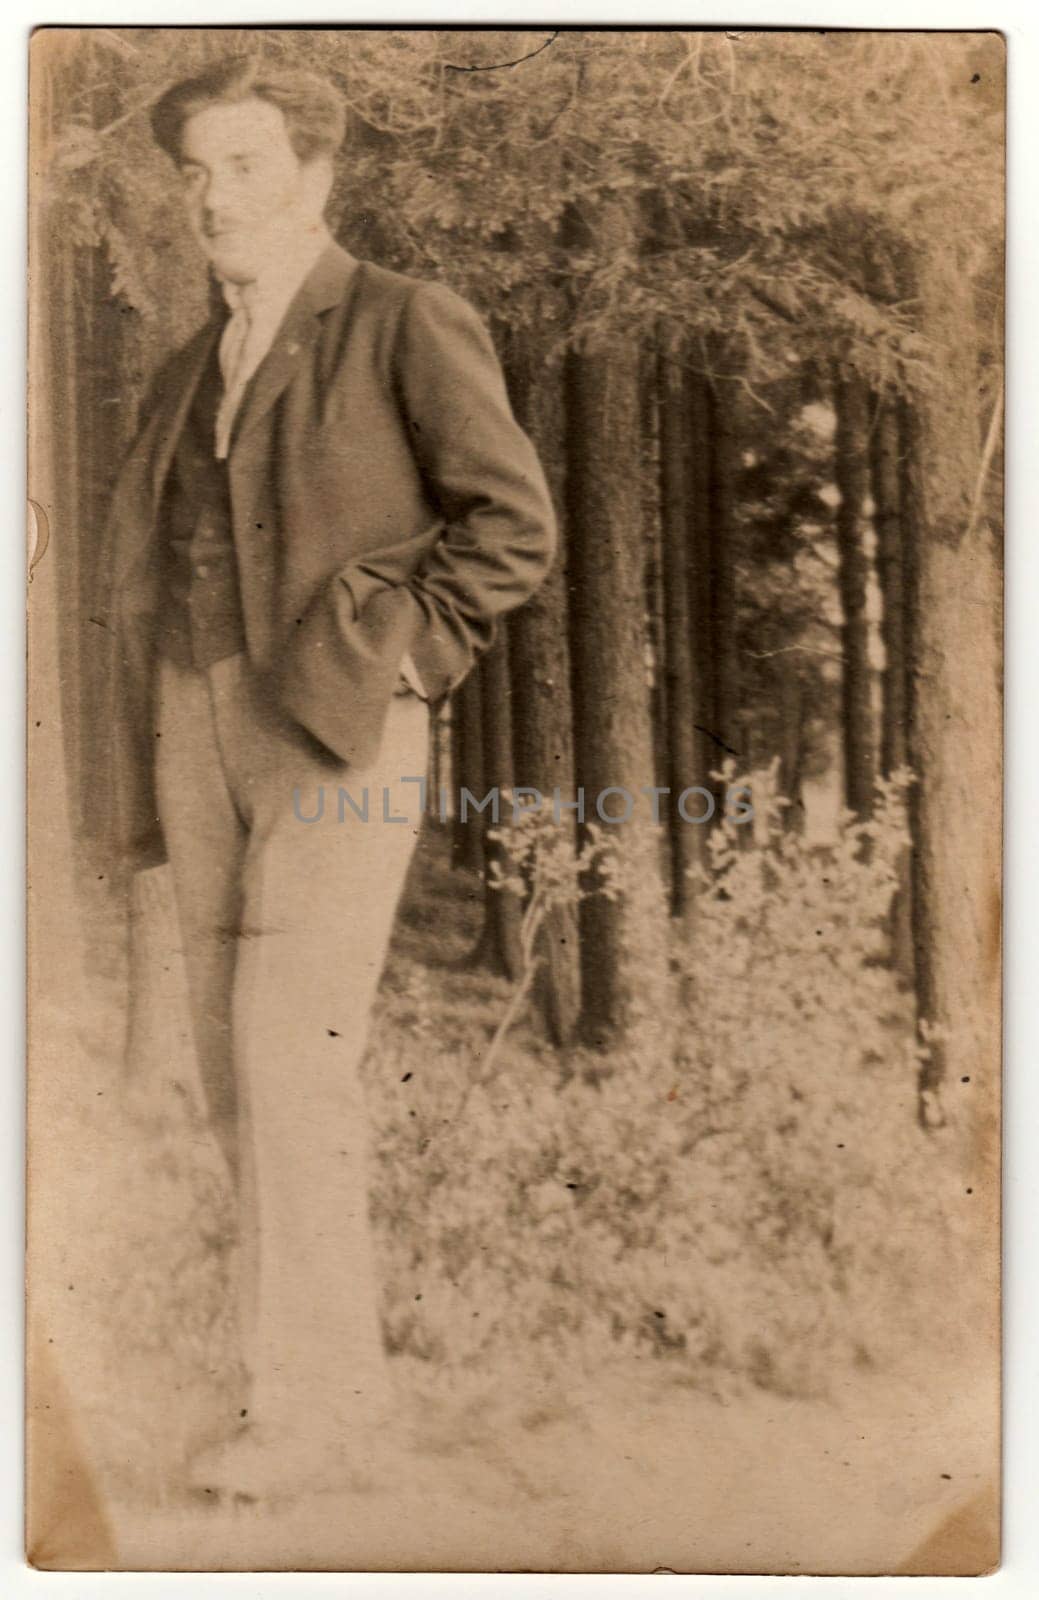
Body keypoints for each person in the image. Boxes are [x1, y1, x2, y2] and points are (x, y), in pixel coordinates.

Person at [99, 55, 556, 1501]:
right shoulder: (190, 368)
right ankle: (314, 1392)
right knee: (241, 1072)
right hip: (194, 719)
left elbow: (511, 528)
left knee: (294, 1055)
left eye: (243, 167)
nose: (213, 199)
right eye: (195, 174)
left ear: (313, 177)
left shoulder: (403, 321)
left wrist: (400, 663)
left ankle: (302, 1416)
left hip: (339, 733)